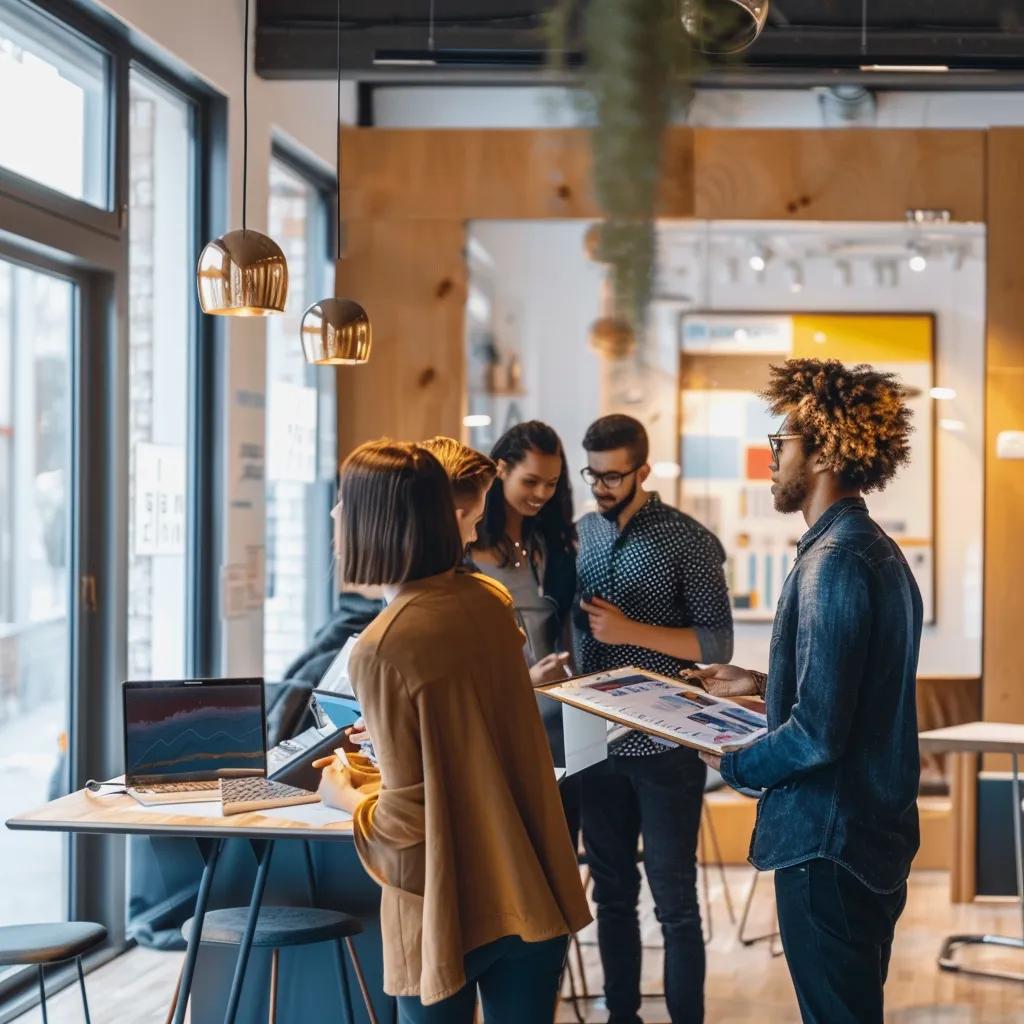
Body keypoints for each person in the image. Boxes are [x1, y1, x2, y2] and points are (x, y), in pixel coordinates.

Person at [318, 439, 591, 1023]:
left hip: (447, 911)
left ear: (377, 521)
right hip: (529, 885)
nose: (336, 515)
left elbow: (407, 823)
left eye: (345, 503)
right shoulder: (488, 600)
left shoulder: (384, 646)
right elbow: (467, 753)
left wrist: (346, 796)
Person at [694, 359, 922, 1024]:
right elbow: (853, 691)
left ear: (823, 449)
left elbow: (820, 732)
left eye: (780, 443)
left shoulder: (834, 562)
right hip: (862, 840)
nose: (770, 458)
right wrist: (762, 686)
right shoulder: (868, 549)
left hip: (830, 845)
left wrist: (734, 761)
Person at [575, 413, 733, 1024]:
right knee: (611, 896)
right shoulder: (581, 533)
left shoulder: (688, 539)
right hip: (593, 738)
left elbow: (716, 644)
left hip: (664, 742)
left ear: (643, 469)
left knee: (674, 899)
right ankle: (621, 1016)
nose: (602, 487)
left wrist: (628, 631)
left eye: (615, 475)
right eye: (594, 474)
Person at [470, 420, 577, 746]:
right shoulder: (465, 549)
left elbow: (566, 630)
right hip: (495, 718)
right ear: (501, 469)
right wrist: (526, 681)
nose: (542, 494)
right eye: (530, 481)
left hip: (557, 718)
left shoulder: (554, 547)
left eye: (551, 483)